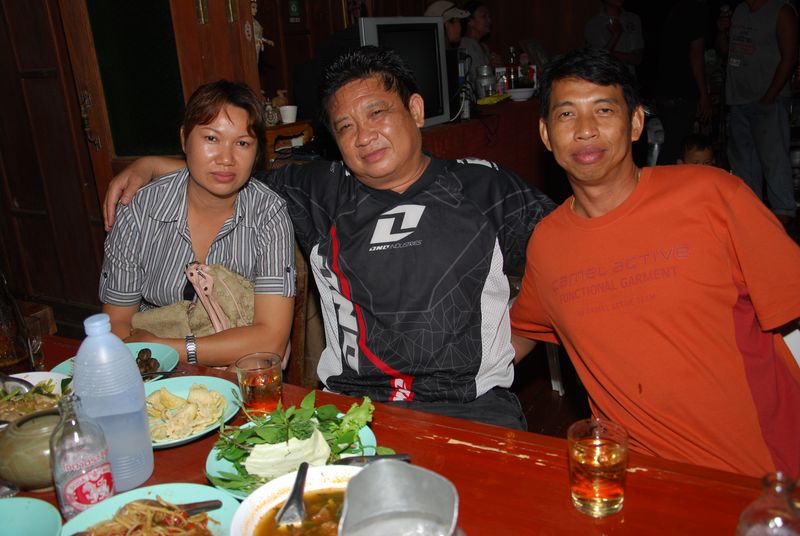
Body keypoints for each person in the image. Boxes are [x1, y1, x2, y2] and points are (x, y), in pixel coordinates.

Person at [104, 47, 555, 430]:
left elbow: (568, 256)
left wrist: (515, 339)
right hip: (355, 408)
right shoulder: (319, 191)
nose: (364, 136)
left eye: (376, 113)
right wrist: (154, 166)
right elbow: (227, 175)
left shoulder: (483, 186)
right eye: (345, 126)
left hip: (473, 407)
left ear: (415, 110)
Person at [510, 47, 800, 477]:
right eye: (567, 114)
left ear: (636, 123)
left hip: (757, 478)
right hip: (637, 481)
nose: (585, 130)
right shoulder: (547, 244)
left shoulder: (712, 196)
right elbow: (517, 336)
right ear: (546, 134)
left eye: (604, 110)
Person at [100, 80, 296, 367]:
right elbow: (116, 321)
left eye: (242, 143)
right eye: (211, 139)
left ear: (257, 153)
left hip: (234, 359)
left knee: (254, 366)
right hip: (151, 363)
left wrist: (169, 349)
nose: (226, 159)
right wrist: (152, 356)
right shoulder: (140, 209)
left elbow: (270, 341)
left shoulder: (268, 214)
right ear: (184, 139)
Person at [718, 0, 798, 228]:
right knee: (743, 167)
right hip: (738, 100)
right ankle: (752, 224)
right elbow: (726, 51)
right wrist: (721, 31)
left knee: (775, 164)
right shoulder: (739, 10)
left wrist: (770, 96)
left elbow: (790, 57)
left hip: (768, 101)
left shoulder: (782, 10)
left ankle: (782, 227)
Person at [655, 0, 712, 165]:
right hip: (682, 91)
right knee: (676, 149)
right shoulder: (695, 11)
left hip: (664, 90)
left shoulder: (673, 9)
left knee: (670, 146)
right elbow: (696, 54)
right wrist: (704, 94)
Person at [584, 0, 643, 74]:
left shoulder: (632, 18)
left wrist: (608, 54)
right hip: (606, 78)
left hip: (628, 78)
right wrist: (615, 35)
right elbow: (599, 60)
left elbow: (637, 59)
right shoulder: (593, 25)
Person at [459, 2, 499, 85]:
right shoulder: (466, 44)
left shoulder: (484, 46)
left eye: (489, 17)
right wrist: (491, 66)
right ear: (470, 21)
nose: (489, 20)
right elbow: (475, 79)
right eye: (484, 17)